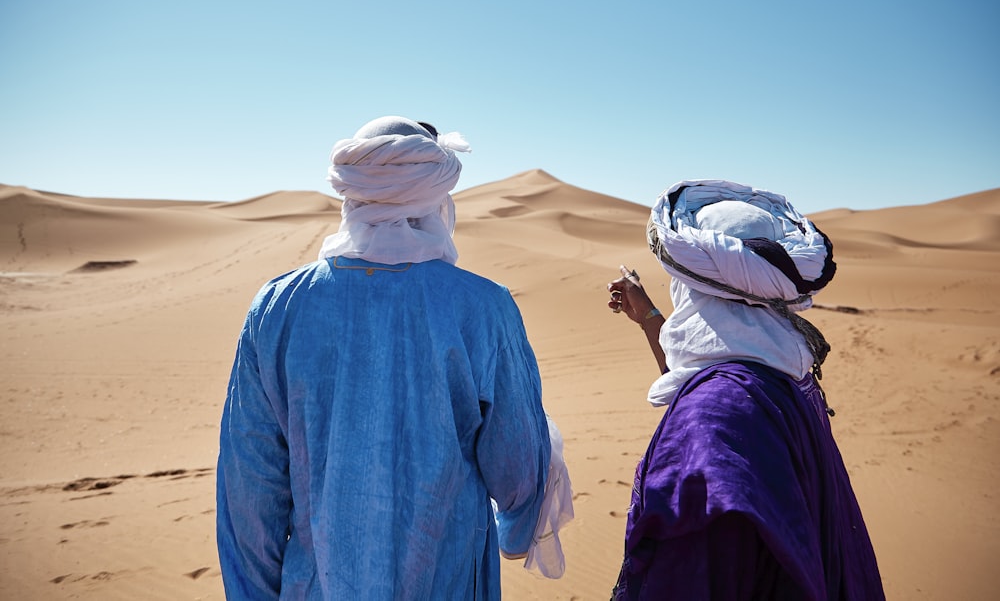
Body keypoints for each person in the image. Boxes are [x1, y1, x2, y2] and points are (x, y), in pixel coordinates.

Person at [217, 116, 572, 600]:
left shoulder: (279, 306)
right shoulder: (483, 308)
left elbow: (250, 492)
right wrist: (517, 525)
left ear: (352, 194)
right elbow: (518, 469)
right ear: (436, 198)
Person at [606, 179, 884, 600]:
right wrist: (648, 316)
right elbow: (713, 374)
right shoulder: (786, 373)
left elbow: (691, 573)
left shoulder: (714, 414)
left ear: (692, 284)